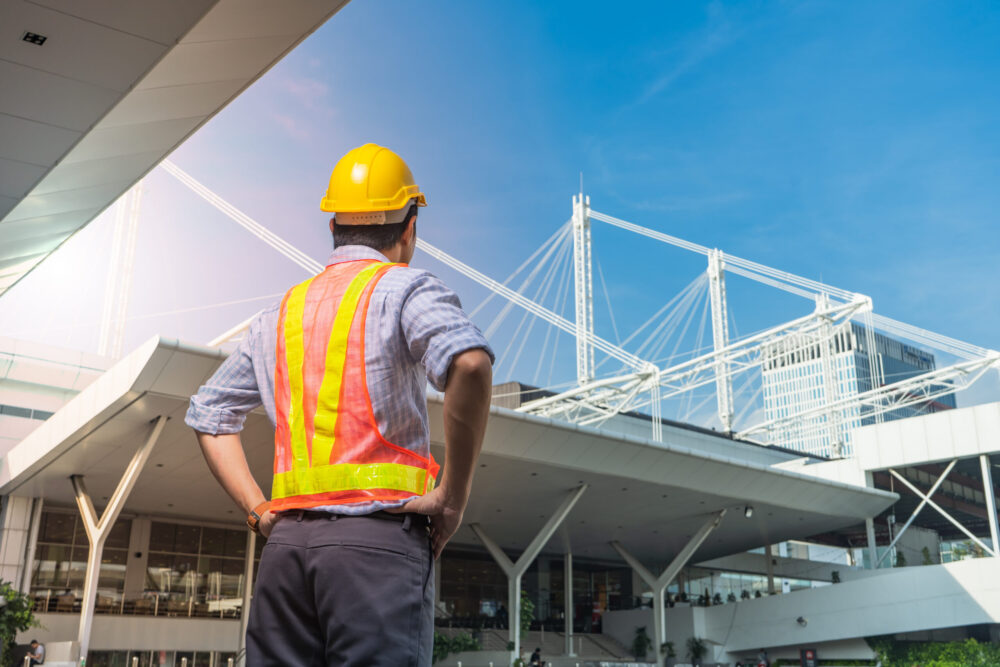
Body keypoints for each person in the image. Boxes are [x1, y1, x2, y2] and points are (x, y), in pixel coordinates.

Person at [186, 143, 494, 666]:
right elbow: (468, 364)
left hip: (285, 552)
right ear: (409, 227)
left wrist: (260, 514)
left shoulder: (279, 313)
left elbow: (208, 414)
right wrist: (452, 498)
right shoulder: (405, 288)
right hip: (376, 549)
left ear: (333, 228)